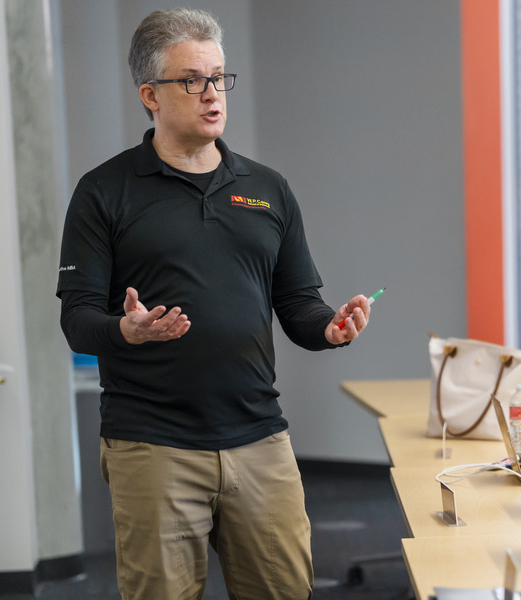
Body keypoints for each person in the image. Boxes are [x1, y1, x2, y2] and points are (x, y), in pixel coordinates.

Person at [55, 9, 367, 599]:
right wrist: (128, 330)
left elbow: (298, 301)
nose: (212, 93)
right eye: (192, 80)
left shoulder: (267, 188)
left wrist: (329, 328)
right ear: (150, 95)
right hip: (152, 444)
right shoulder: (103, 192)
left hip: (259, 437)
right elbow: (77, 320)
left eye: (219, 77)